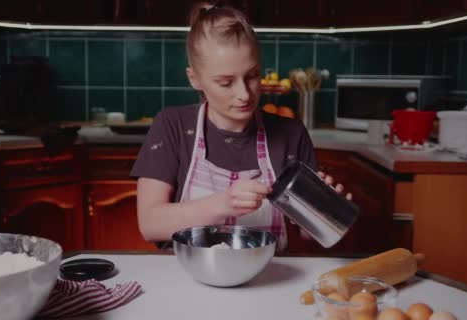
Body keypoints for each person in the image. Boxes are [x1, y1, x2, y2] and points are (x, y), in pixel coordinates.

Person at [130, 0, 350, 251]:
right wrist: (224, 204)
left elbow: (310, 234)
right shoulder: (172, 126)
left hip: (270, 278)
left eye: (253, 75)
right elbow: (150, 224)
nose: (244, 94)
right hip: (189, 277)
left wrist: (327, 211)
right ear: (195, 79)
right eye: (226, 82)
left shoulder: (291, 133)